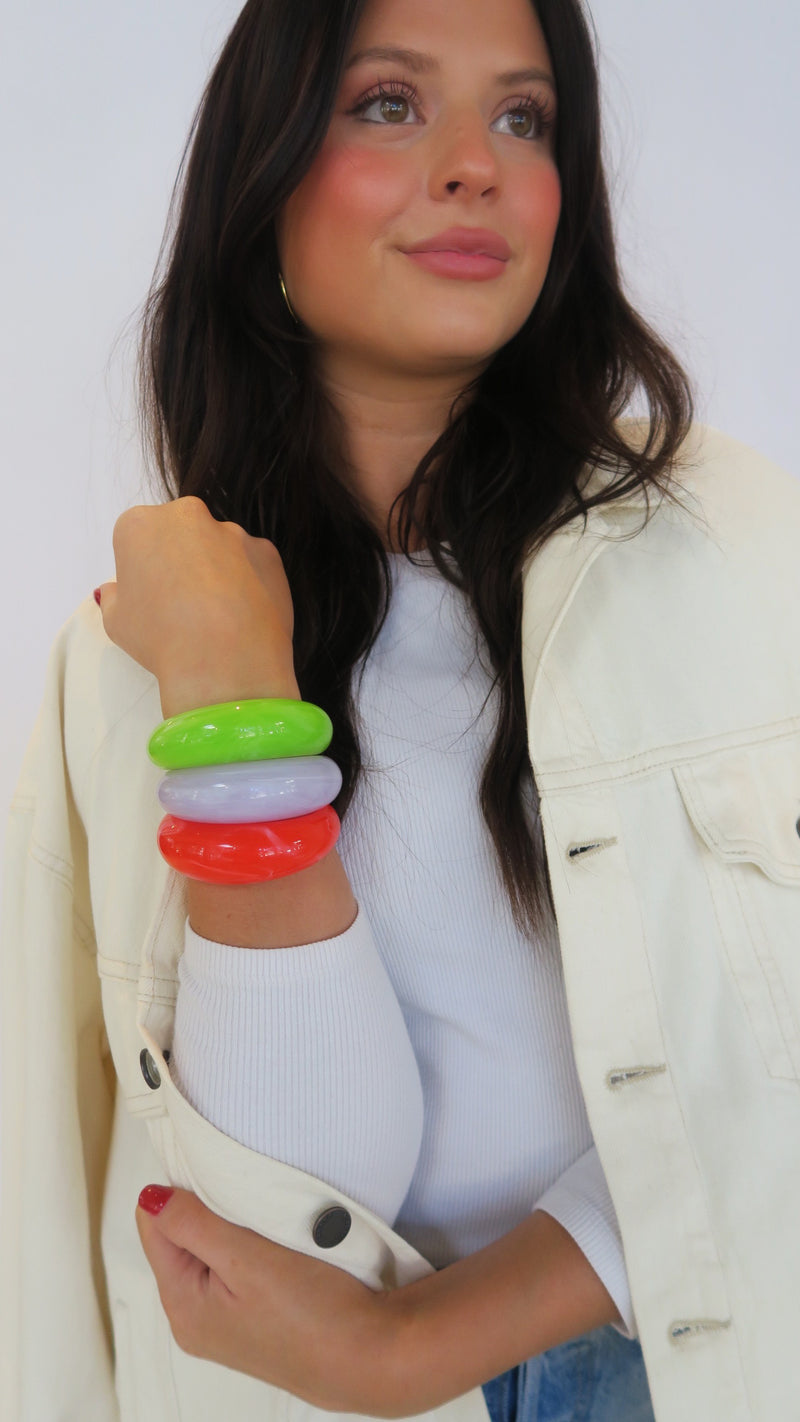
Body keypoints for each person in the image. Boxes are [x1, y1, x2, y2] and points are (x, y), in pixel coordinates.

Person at [2, 0, 799, 1419]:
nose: (475, 165)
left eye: (523, 117)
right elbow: (302, 1191)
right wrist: (235, 704)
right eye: (387, 104)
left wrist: (422, 1343)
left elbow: (762, 1073)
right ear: (263, 182)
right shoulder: (130, 662)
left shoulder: (735, 548)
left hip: (693, 1360)